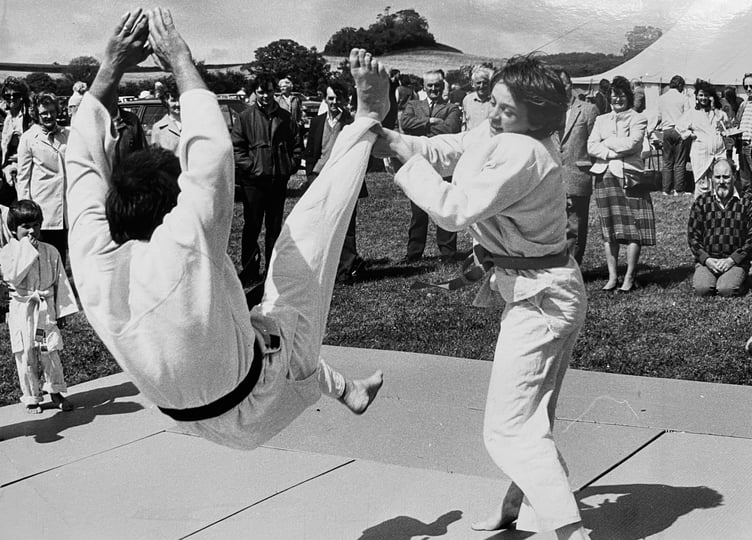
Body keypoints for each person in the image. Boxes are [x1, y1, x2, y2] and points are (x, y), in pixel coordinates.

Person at [65, 9, 383, 450]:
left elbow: (80, 160)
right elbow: (213, 154)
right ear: (173, 208)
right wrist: (179, 59)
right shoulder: (184, 239)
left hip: (193, 419)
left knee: (264, 323)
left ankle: (349, 390)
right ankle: (367, 118)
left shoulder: (89, 256)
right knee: (299, 249)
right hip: (257, 398)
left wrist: (110, 67)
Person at [373, 56, 589, 540]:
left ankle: (572, 533)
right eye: (493, 102)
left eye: (506, 109)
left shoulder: (527, 152)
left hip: (544, 300)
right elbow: (452, 147)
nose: (492, 114)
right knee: (530, 419)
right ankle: (516, 505)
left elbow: (454, 209)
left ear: (537, 118)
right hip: (546, 291)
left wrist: (405, 161)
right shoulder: (504, 133)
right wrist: (390, 138)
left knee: (508, 427)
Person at [0, 200, 78, 413]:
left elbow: (60, 281)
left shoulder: (50, 251)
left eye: (35, 224)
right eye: (25, 226)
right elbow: (13, 277)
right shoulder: (8, 252)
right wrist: (26, 249)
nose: (31, 230)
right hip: (23, 312)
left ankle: (55, 390)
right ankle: (32, 395)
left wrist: (62, 311)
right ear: (13, 229)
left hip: (43, 312)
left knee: (47, 349)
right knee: (26, 354)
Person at [232, 74, 303, 287]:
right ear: (255, 93)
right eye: (261, 92)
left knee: (274, 227)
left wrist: (289, 166)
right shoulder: (245, 118)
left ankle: (272, 270)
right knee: (252, 226)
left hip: (277, 181)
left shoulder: (286, 117)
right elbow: (237, 148)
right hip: (253, 182)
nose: (265, 96)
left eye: (269, 91)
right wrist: (253, 167)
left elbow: (297, 145)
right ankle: (250, 269)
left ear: (275, 92)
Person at [588, 75, 653, 293]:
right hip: (604, 178)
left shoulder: (638, 118)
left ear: (628, 96)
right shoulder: (601, 120)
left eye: (621, 95)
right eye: (614, 95)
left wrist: (605, 145)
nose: (617, 99)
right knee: (610, 230)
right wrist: (610, 151)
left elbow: (633, 144)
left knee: (634, 230)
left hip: (629, 178)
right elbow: (591, 146)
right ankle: (612, 276)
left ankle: (629, 276)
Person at [304, 81, 367, 284]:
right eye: (330, 98)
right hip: (320, 177)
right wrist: (310, 177)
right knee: (320, 224)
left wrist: (346, 120)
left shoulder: (351, 123)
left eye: (337, 99)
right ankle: (322, 268)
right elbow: (311, 153)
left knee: (346, 226)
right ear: (325, 99)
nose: (333, 103)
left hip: (345, 178)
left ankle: (345, 271)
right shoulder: (317, 122)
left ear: (344, 100)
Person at [399, 69, 461, 262]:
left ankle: (448, 252)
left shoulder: (451, 108)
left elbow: (450, 128)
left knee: (445, 206)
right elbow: (405, 123)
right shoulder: (413, 104)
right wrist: (431, 121)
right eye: (430, 85)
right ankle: (414, 253)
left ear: (443, 86)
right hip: (420, 163)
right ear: (424, 87)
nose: (434, 88)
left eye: (437, 85)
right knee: (418, 211)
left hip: (443, 162)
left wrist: (420, 127)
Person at [16, 91, 70, 265]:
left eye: (52, 111)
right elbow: (23, 178)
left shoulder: (67, 134)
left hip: (66, 210)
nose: (48, 116)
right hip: (43, 210)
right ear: (36, 114)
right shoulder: (28, 138)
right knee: (42, 261)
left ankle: (64, 292)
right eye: (44, 113)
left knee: (61, 259)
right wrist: (26, 213)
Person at [688, 158, 751, 297]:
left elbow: (751, 239)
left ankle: (743, 277)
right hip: (709, 261)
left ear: (734, 177)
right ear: (712, 178)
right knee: (702, 289)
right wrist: (706, 260)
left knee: (726, 289)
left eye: (726, 177)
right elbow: (693, 237)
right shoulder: (701, 202)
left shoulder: (745, 202)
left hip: (735, 262)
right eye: (718, 177)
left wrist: (732, 260)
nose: (721, 181)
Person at [558, 70, 598, 266]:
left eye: (564, 84)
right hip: (553, 177)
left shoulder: (588, 110)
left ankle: (573, 267)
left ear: (570, 85)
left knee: (575, 225)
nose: (560, 88)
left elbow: (594, 144)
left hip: (577, 174)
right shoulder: (547, 111)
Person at [676, 80, 729, 199]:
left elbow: (726, 122)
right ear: (696, 96)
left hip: (718, 152)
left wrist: (715, 107)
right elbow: (679, 126)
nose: (703, 98)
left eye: (706, 95)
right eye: (701, 95)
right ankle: (700, 209)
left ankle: (716, 207)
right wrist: (690, 134)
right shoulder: (692, 113)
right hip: (701, 153)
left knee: (718, 180)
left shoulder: (716, 113)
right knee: (702, 184)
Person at [657, 75, 693, 195]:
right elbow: (688, 116)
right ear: (680, 85)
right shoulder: (683, 98)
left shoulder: (662, 98)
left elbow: (659, 116)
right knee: (680, 161)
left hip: (666, 130)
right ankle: (679, 189)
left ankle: (666, 189)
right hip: (679, 130)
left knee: (667, 161)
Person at [150, 81, 181, 153]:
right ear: (165, 101)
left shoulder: (194, 124)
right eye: (173, 100)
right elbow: (156, 157)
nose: (178, 104)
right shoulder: (158, 128)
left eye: (180, 99)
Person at [461, 65, 494, 131]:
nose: (481, 86)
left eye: (485, 83)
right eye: (478, 83)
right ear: (473, 84)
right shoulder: (467, 100)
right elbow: (464, 123)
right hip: (470, 138)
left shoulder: (494, 100)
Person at [735, 72, 752, 194]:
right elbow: (737, 123)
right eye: (746, 87)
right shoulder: (743, 104)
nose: (749, 89)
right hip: (742, 146)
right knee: (745, 181)